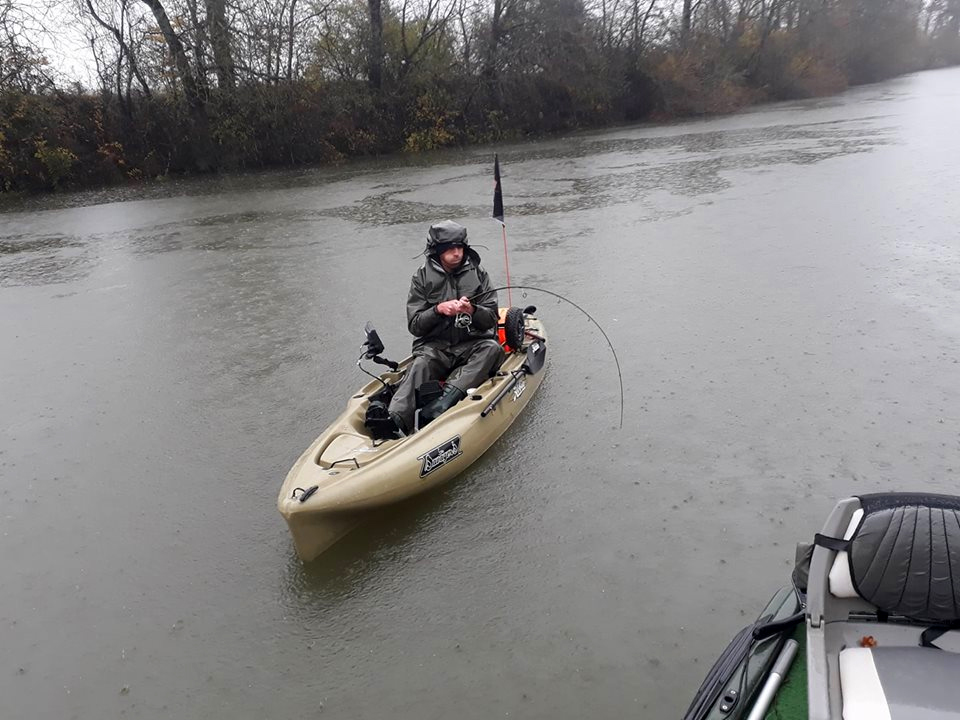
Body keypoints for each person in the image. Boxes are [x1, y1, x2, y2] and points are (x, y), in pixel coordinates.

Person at [387, 220, 504, 434]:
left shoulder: (479, 274)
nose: (457, 253)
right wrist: (438, 310)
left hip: (472, 345)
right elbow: (415, 325)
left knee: (492, 349)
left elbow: (491, 317)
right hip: (436, 349)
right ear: (438, 251)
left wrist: (473, 311)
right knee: (420, 365)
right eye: (450, 248)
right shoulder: (420, 278)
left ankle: (443, 403)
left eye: (460, 247)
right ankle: (394, 419)